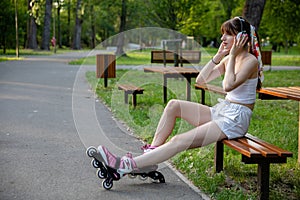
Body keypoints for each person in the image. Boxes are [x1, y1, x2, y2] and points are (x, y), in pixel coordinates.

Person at [96, 17, 263, 177]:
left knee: (179, 140)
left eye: (228, 34)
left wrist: (232, 55)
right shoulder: (228, 59)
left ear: (242, 38)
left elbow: (228, 85)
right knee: (173, 105)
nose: (222, 38)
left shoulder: (250, 62)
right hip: (224, 110)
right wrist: (218, 56)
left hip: (236, 119)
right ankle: (148, 159)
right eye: (223, 33)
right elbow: (201, 80)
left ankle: (125, 165)